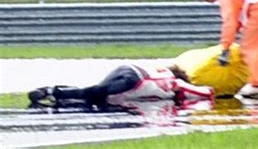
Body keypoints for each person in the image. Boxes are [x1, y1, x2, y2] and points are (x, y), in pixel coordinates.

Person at [28, 64, 214, 110]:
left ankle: (53, 92)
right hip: (135, 79)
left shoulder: (162, 71)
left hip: (129, 69)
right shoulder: (175, 83)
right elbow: (207, 93)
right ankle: (53, 92)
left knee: (95, 91)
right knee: (97, 93)